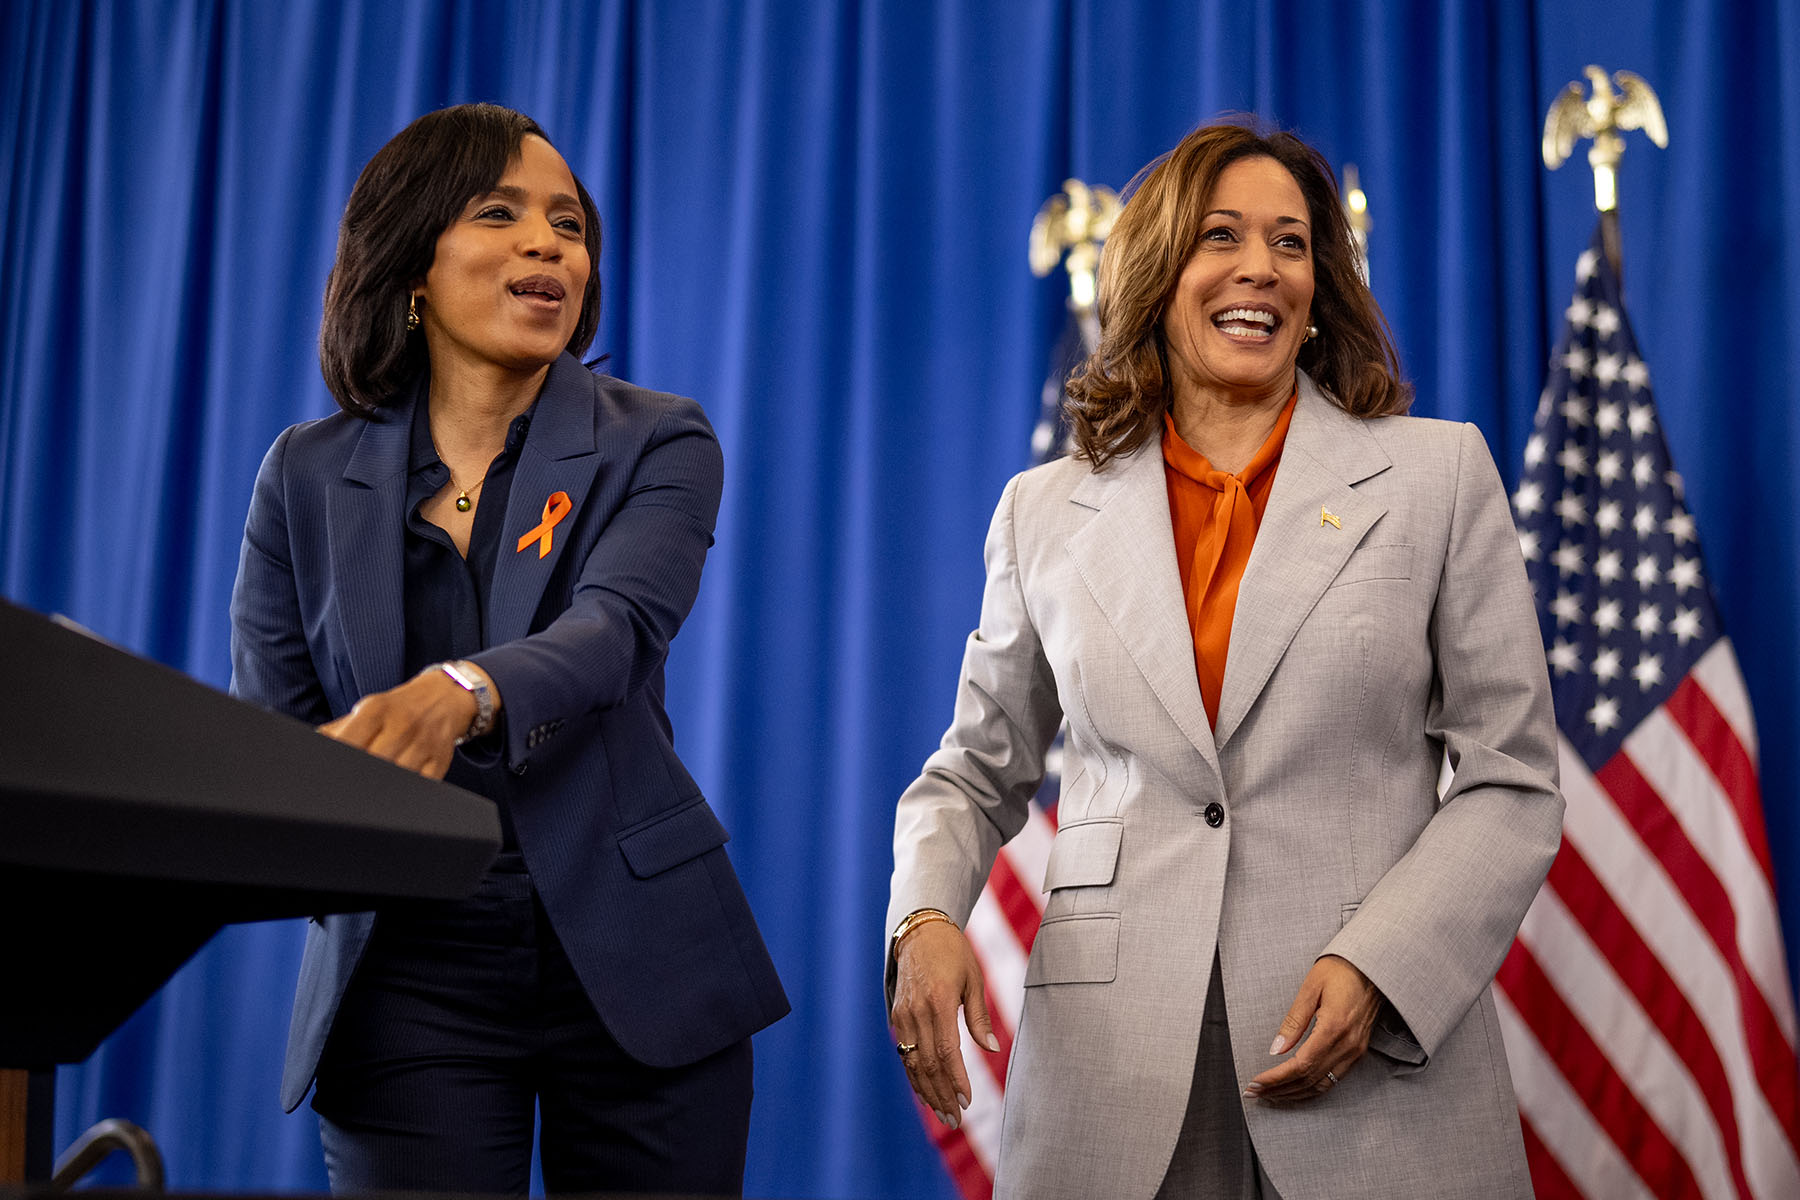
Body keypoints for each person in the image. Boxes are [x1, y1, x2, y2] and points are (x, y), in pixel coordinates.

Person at [885, 120, 1563, 1199]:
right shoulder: (1044, 511)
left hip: (1365, 1055)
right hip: (1111, 1064)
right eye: (1222, 237)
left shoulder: (1440, 477)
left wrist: (1381, 965)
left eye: (1292, 244)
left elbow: (1511, 777)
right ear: (1157, 273)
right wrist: (924, 917)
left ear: (1320, 285)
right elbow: (972, 769)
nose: (1261, 269)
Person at [230, 103, 788, 1196]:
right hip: (405, 964)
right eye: (502, 213)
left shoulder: (656, 438)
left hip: (638, 950)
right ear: (413, 270)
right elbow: (279, 732)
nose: (549, 244)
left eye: (569, 225)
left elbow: (613, 630)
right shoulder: (303, 473)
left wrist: (458, 692)